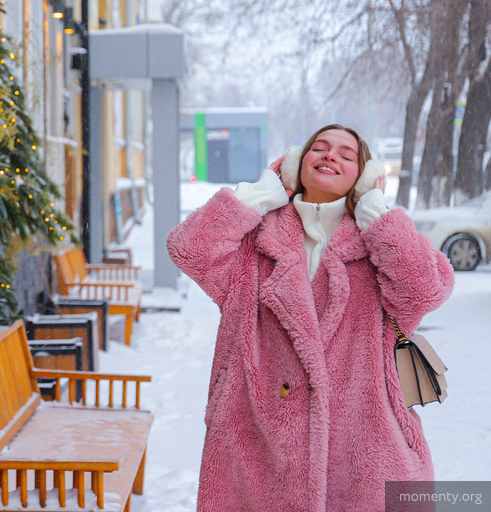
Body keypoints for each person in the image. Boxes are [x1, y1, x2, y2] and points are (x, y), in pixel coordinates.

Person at [166, 124, 454, 512]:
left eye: (346, 154)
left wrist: (378, 216)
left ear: (364, 176)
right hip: (258, 447)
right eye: (318, 147)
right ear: (295, 166)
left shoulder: (379, 245)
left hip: (362, 452)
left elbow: (425, 290)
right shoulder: (256, 241)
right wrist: (255, 197)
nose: (330, 155)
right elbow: (189, 249)